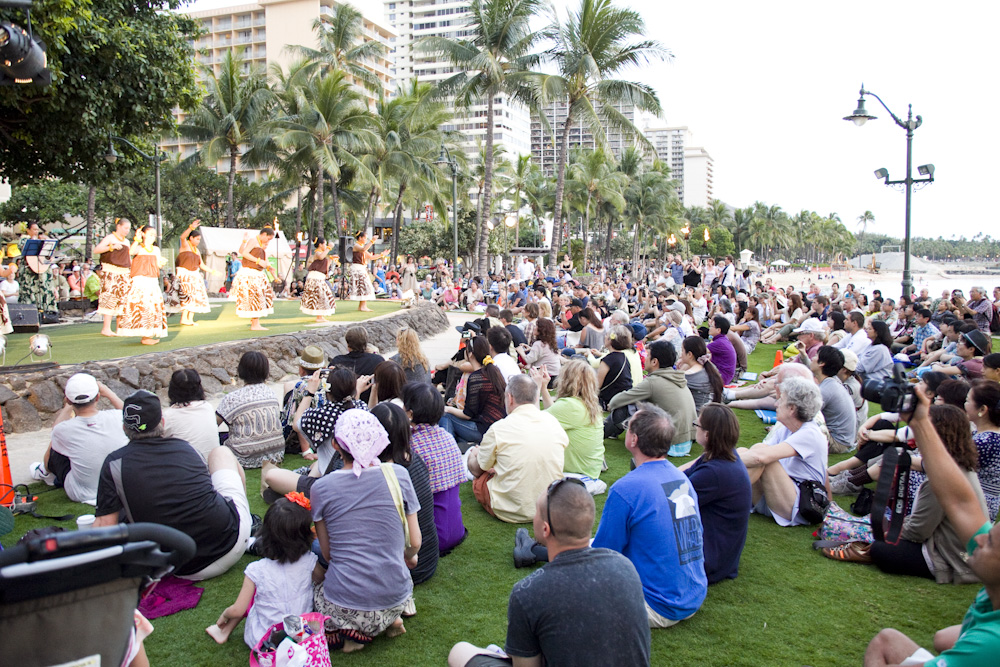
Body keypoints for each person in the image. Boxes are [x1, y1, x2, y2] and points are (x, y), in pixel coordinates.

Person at [863, 384, 1000, 666]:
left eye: (991, 542)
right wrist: (921, 420)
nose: (981, 537)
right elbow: (960, 502)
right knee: (935, 638)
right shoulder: (993, 590)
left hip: (942, 562)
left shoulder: (990, 643)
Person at [454, 480, 650, 667]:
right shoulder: (625, 567)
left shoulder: (528, 593)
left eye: (537, 512)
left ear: (545, 529)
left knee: (460, 652)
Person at [94, 391, 252, 580]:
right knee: (221, 453)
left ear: (124, 427)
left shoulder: (114, 463)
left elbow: (105, 527)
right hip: (232, 544)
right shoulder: (184, 447)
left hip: (175, 567)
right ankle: (250, 521)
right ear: (162, 422)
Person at [823, 404, 988, 583]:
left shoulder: (941, 478)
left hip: (954, 559)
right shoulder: (956, 464)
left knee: (882, 549)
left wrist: (882, 534)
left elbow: (918, 532)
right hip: (967, 551)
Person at [310, 409, 420, 651]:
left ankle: (353, 636)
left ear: (336, 445)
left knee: (315, 588)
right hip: (396, 597)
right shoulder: (399, 474)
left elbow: (328, 555)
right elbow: (415, 543)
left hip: (345, 602)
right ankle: (389, 619)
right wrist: (406, 557)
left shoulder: (321, 487)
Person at [592, 404, 708, 627]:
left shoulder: (626, 488)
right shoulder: (682, 478)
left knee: (569, 585)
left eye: (628, 427)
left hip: (656, 605)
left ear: (633, 440)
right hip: (692, 595)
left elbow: (603, 555)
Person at [206, 495, 319, 647]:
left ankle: (222, 630)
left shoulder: (257, 570)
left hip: (264, 640)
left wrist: (225, 614)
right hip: (303, 636)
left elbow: (238, 610)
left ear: (266, 533)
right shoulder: (310, 561)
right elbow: (319, 580)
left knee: (253, 597)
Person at [466, 375, 567, 522]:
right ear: (535, 397)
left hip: (508, 511)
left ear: (510, 398)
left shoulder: (499, 428)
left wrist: (473, 455)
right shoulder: (553, 422)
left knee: (480, 477)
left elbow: (476, 469)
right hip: (548, 506)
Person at [738, 376, 828, 526]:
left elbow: (760, 457)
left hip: (801, 506)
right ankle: (720, 493)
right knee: (744, 451)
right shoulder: (786, 428)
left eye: (781, 400)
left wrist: (721, 461)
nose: (776, 404)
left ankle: (718, 493)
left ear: (792, 408)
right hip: (778, 495)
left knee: (761, 455)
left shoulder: (810, 433)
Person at [264, 368, 368, 497]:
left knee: (271, 475)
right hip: (359, 479)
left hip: (330, 486)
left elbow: (297, 424)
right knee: (317, 464)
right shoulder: (362, 407)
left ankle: (305, 490)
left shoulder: (321, 415)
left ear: (327, 390)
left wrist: (310, 392)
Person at [679, 404, 752, 583]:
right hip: (720, 552)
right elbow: (682, 479)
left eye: (698, 425)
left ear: (708, 434)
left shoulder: (715, 472)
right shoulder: (720, 457)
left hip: (709, 560)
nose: (695, 427)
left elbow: (674, 500)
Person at [29, 373, 127, 505]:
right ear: (98, 396)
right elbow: (129, 413)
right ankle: (45, 472)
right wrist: (108, 393)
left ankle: (44, 472)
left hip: (83, 492)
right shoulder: (118, 416)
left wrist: (69, 404)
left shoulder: (63, 429)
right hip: (118, 486)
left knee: (56, 444)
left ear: (68, 400)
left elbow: (56, 432)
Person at [371, 402, 438, 586]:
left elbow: (413, 542)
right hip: (426, 559)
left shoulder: (384, 476)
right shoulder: (415, 460)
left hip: (405, 563)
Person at [402, 382, 467, 554]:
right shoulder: (447, 437)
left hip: (430, 538)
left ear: (409, 412)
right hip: (456, 530)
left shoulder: (411, 445)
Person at [606, 340, 697, 457]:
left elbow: (616, 401)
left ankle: (600, 434)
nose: (645, 358)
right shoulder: (677, 378)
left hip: (669, 444)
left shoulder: (653, 382)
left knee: (624, 407)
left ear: (654, 361)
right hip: (686, 442)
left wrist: (611, 405)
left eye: (647, 355)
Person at [531, 360, 604, 479]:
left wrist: (537, 387)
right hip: (589, 472)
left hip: (575, 476)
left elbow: (534, 422)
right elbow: (553, 416)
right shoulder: (586, 404)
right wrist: (544, 387)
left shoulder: (571, 405)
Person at [216, 351, 284, 468]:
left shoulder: (232, 398)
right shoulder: (271, 393)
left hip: (243, 457)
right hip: (276, 454)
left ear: (241, 370)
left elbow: (213, 425)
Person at [439, 336, 507, 445]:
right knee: (458, 435)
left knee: (445, 415)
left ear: (470, 354)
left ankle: (447, 448)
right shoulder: (493, 371)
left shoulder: (476, 377)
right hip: (497, 429)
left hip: (483, 430)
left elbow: (468, 414)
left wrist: (447, 409)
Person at [115, 225, 168, 345]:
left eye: (154, 235)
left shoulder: (156, 249)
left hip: (152, 279)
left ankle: (148, 334)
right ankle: (145, 336)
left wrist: (161, 263)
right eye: (150, 235)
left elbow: (158, 265)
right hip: (140, 280)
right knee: (143, 306)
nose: (152, 237)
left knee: (152, 307)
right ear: (143, 235)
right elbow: (131, 252)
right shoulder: (139, 247)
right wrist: (137, 239)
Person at [162, 369, 219, 463]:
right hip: (212, 465)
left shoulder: (169, 415)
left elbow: (156, 441)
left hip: (187, 468)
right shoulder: (207, 407)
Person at [813, 345, 858, 454]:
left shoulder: (827, 388)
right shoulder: (832, 382)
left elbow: (804, 414)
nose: (812, 358)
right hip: (843, 439)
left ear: (821, 363)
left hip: (838, 443)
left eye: (815, 356)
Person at [231, 227, 276, 331]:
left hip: (257, 273)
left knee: (259, 298)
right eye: (268, 239)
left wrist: (268, 267)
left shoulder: (260, 245)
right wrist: (258, 261)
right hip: (251, 272)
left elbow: (245, 252)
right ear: (264, 234)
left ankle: (255, 322)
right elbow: (244, 253)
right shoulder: (254, 240)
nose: (268, 241)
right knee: (255, 297)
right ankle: (255, 324)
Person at [967, 379, 1000, 521]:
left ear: (982, 410)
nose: (964, 404)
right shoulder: (987, 436)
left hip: (975, 508)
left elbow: (947, 467)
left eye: (967, 400)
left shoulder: (985, 441)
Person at [171, 220, 213, 326]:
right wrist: (191, 227)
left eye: (199, 239)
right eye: (197, 239)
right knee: (188, 296)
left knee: (195, 296)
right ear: (191, 238)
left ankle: (190, 318)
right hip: (185, 275)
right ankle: (184, 318)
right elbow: (182, 237)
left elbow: (201, 265)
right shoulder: (185, 246)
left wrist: (213, 271)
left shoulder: (197, 251)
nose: (198, 241)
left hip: (194, 275)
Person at [332, 326, 385, 403]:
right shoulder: (378, 360)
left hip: (343, 405)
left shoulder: (337, 361)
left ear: (347, 344)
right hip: (370, 403)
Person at [678, 335, 724, 413]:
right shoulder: (710, 368)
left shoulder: (687, 376)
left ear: (689, 354)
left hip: (696, 417)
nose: (681, 354)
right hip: (710, 414)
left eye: (682, 350)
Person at [347, 230, 388, 312]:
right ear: (360, 238)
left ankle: (362, 305)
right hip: (357, 268)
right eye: (365, 238)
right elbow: (363, 249)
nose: (366, 240)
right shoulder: (356, 246)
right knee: (363, 286)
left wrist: (382, 254)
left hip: (361, 268)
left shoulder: (362, 247)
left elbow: (371, 257)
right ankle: (362, 306)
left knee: (364, 286)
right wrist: (372, 241)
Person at [595, 324, 634, 410]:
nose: (605, 337)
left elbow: (597, 386)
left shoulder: (608, 360)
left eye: (606, 335)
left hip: (610, 400)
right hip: (625, 399)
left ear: (610, 340)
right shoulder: (624, 357)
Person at [299, 237, 337, 322]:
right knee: (319, 296)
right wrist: (329, 248)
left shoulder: (322, 254)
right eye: (325, 244)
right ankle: (319, 317)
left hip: (320, 277)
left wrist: (331, 259)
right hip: (315, 278)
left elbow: (325, 266)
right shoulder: (317, 253)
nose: (326, 245)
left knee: (324, 296)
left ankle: (320, 316)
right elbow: (320, 257)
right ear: (320, 244)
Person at [518, 316, 560, 384]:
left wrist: (520, 351)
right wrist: (531, 349)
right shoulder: (550, 342)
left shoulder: (538, 344)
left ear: (541, 330)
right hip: (554, 376)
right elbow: (543, 352)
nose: (534, 328)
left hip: (545, 376)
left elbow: (528, 360)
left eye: (536, 326)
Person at [707, 315, 737, 384]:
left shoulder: (719, 342)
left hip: (722, 377)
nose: (709, 328)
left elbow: (699, 351)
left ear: (718, 330)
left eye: (711, 326)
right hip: (726, 375)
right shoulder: (722, 339)